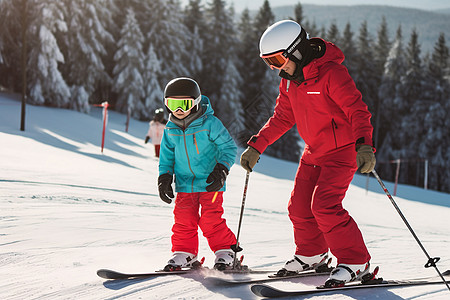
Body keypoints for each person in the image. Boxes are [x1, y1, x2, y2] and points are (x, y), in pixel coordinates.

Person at [240, 20, 376, 287]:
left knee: (324, 207)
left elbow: (357, 110)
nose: (275, 68)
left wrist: (364, 144)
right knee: (299, 208)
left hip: (342, 152)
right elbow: (281, 117)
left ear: (297, 51)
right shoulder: (290, 82)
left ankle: (356, 261)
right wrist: (257, 145)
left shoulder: (332, 74)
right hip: (313, 152)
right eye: (269, 62)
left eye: (278, 59)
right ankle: (312, 254)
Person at [158, 77, 240, 271]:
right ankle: (184, 252)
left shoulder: (209, 123)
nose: (178, 110)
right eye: (173, 104)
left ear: (194, 102)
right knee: (183, 219)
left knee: (211, 219)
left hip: (211, 181)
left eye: (183, 104)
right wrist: (165, 177)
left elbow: (228, 147)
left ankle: (226, 251)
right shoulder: (170, 129)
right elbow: (166, 157)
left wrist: (222, 169)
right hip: (185, 183)